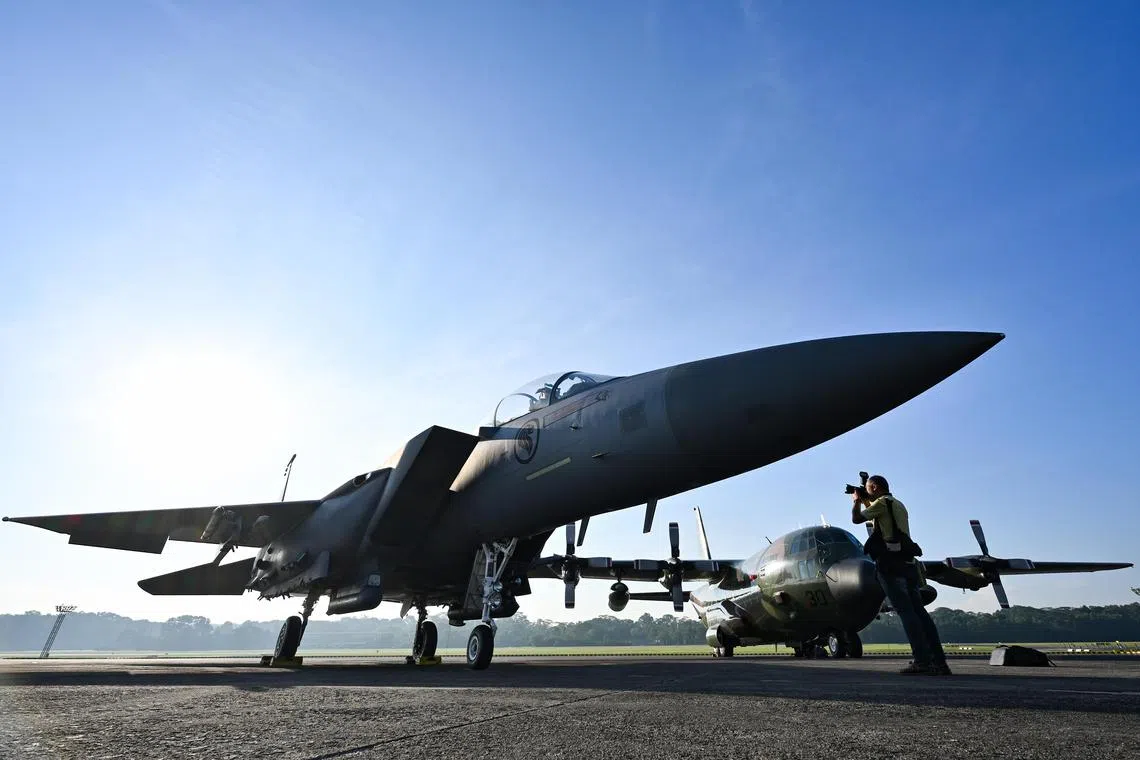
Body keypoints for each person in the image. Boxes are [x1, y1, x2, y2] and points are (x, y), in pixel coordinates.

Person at [852, 474, 951, 675]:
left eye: (869, 487)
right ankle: (939, 662)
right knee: (919, 612)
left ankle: (922, 661)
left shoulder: (880, 504)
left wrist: (856, 502)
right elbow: (880, 511)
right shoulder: (898, 504)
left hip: (890, 564)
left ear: (876, 487)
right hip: (908, 564)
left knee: (905, 612)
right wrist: (865, 493)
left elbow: (856, 519)